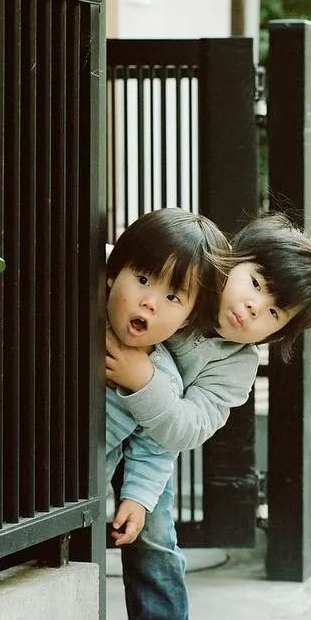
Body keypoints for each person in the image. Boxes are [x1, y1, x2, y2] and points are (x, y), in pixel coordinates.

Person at [105, 212, 311, 620]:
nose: (253, 308)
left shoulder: (235, 366)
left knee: (153, 532)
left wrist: (142, 381)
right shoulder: (180, 280)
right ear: (229, 260)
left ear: (276, 334)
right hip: (103, 425)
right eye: (255, 283)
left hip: (155, 447)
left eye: (273, 313)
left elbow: (186, 428)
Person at [105, 209, 229, 549]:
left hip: (71, 493)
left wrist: (137, 498)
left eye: (172, 298)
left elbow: (155, 446)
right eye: (143, 279)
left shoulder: (165, 383)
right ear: (113, 273)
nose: (150, 302)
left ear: (187, 321)